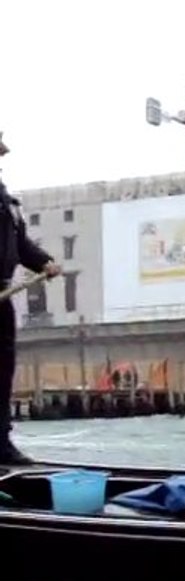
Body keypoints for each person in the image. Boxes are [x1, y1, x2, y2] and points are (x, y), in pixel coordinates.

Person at [0, 133, 61, 464]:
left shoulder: (8, 201)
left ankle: (1, 443)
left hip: (3, 295)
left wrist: (44, 261)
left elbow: (22, 246)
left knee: (2, 372)